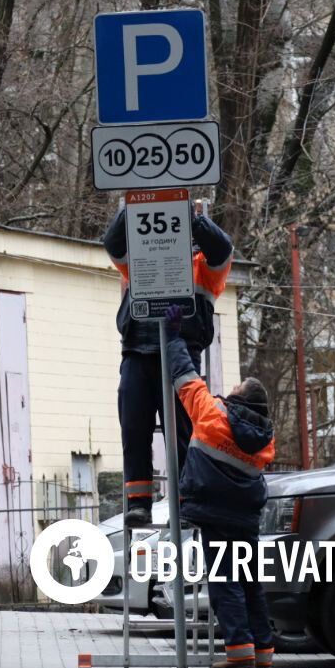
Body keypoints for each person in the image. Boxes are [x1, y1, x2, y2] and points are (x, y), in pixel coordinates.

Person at [103, 201, 234, 526]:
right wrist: (132, 205)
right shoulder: (143, 256)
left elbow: (222, 247)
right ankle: (139, 502)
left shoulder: (205, 265)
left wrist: (193, 218)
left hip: (180, 356)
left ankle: (185, 500)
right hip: (137, 350)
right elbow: (113, 242)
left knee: (183, 431)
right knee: (134, 427)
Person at [164, 306, 277, 668]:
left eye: (234, 389)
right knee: (249, 581)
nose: (227, 390)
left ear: (239, 399)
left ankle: (239, 651)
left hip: (213, 513)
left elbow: (184, 376)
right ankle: (263, 651)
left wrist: (173, 334)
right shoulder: (264, 441)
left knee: (224, 579)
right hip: (245, 518)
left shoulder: (212, 414)